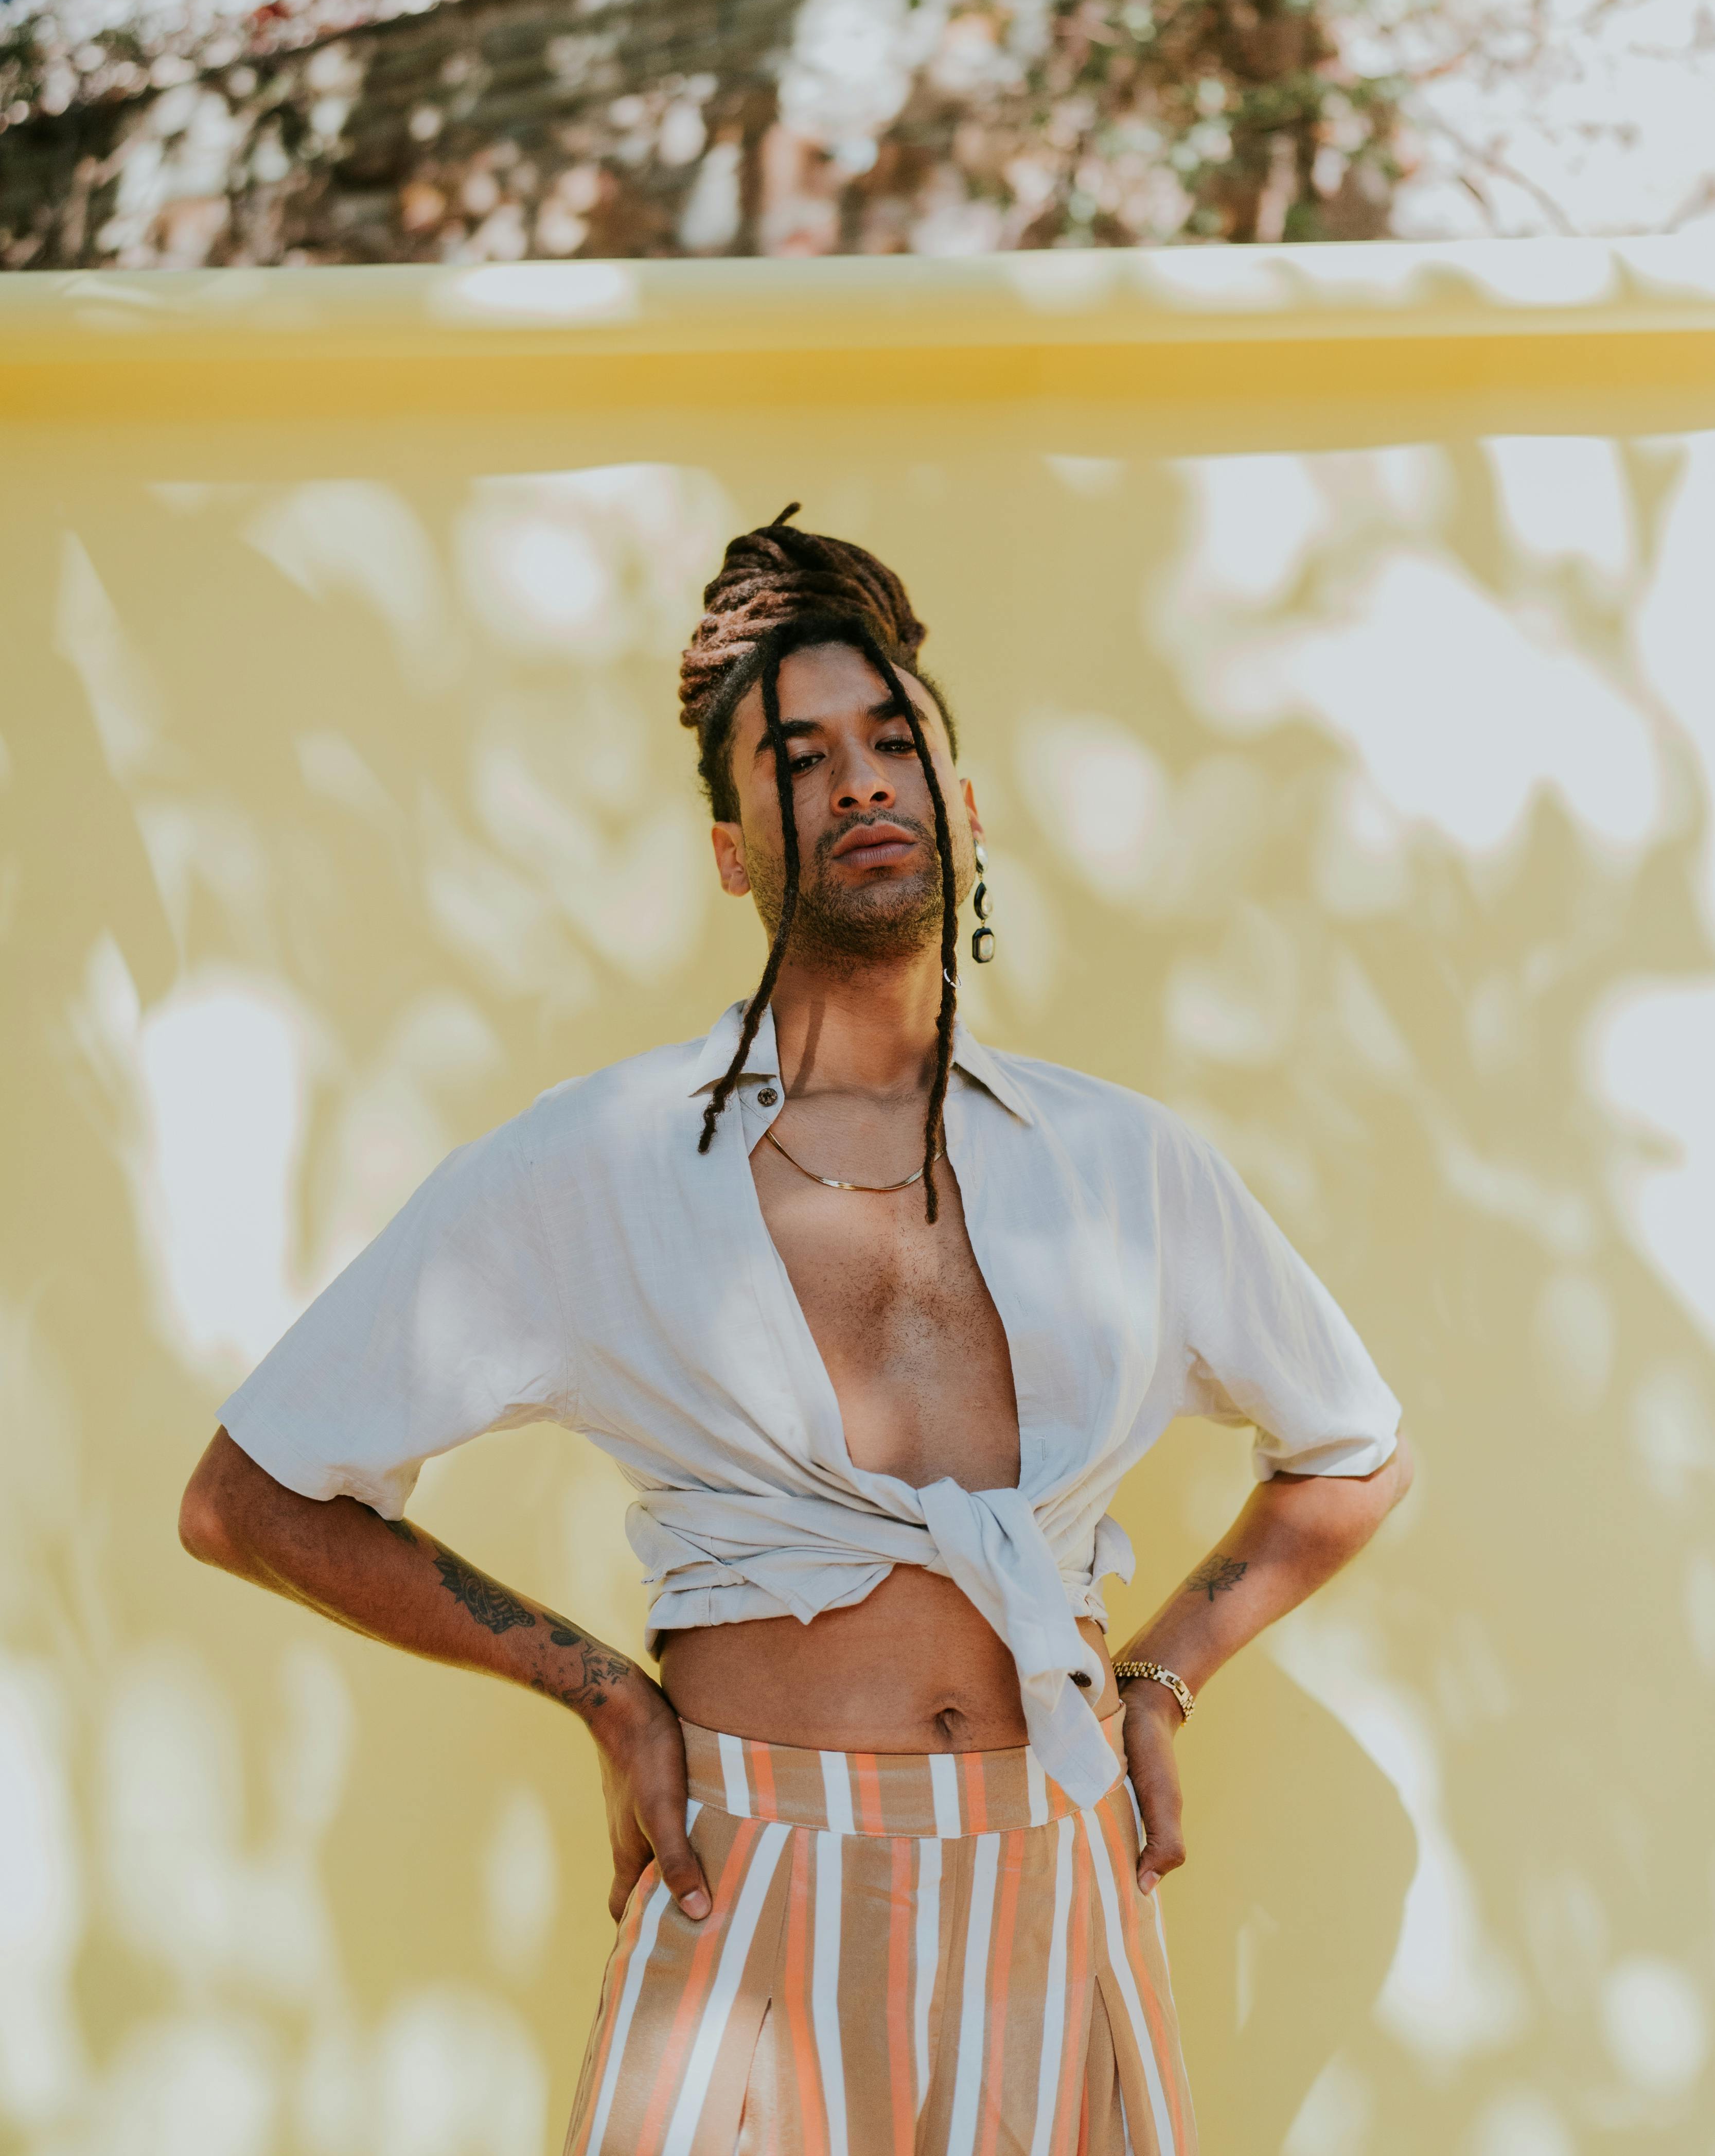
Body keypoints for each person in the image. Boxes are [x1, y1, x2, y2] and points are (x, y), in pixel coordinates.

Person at [180, 505, 1410, 2156]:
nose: (860, 782)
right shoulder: (599, 1165)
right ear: (734, 846)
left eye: (894, 742)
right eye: (800, 758)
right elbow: (249, 1496)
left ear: (961, 804)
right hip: (757, 1890)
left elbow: (1351, 1452)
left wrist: (1164, 1682)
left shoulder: (1125, 1167)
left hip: (1060, 1880)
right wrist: (604, 1693)